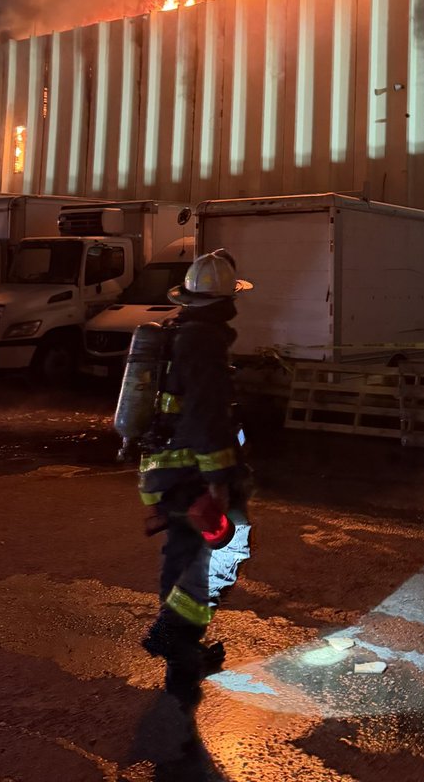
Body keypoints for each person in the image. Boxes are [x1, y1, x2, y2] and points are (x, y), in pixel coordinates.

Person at [137, 249, 253, 707]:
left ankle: (181, 658)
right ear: (227, 300)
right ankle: (174, 639)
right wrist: (220, 480)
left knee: (184, 555)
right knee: (225, 550)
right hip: (192, 472)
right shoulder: (204, 340)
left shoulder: (181, 332)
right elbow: (207, 416)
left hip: (167, 469)